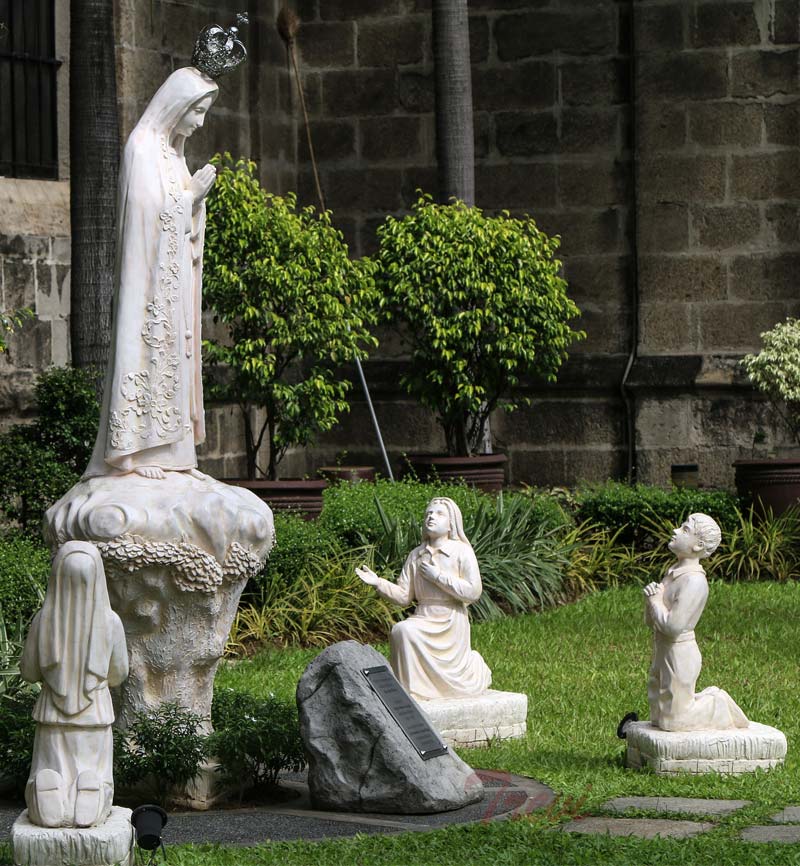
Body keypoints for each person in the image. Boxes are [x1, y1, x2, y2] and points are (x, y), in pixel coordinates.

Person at [84, 66, 219, 480]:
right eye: (196, 112)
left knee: (176, 359)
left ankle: (176, 457)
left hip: (173, 281)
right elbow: (145, 218)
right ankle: (133, 455)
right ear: (177, 105)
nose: (199, 123)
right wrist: (189, 196)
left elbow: (178, 215)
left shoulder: (173, 153)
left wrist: (194, 204)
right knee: (146, 357)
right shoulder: (142, 147)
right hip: (148, 285)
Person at [21, 542, 128, 828]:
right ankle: (92, 788)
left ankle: (49, 782)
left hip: (51, 715)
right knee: (95, 768)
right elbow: (119, 674)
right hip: (95, 713)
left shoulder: (42, 621)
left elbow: (29, 672)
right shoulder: (111, 623)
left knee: (50, 763)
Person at [356, 497, 491, 701]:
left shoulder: (461, 551)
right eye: (428, 513)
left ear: (451, 524)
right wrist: (379, 583)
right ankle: (411, 694)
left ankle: (454, 678)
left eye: (439, 514)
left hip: (450, 620)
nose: (431, 517)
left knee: (406, 630)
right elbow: (403, 596)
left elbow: (473, 592)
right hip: (423, 616)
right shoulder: (416, 555)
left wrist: (438, 577)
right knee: (401, 630)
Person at [643, 513, 748, 732]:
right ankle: (690, 705)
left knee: (675, 722)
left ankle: (719, 704)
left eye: (685, 529)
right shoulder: (672, 574)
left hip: (679, 653)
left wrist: (654, 602)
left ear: (698, 545)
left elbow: (672, 627)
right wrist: (650, 602)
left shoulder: (694, 581)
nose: (675, 531)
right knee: (659, 714)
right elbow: (652, 621)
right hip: (662, 648)